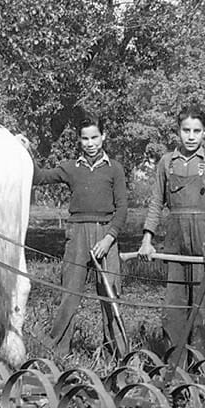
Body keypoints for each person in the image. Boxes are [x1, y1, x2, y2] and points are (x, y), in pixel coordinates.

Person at [31, 109, 128, 355]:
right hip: (77, 235)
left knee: (110, 295)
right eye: (85, 139)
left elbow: (122, 209)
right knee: (70, 294)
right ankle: (58, 353)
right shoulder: (70, 168)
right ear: (79, 140)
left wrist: (109, 238)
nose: (90, 144)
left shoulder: (114, 168)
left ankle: (118, 355)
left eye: (94, 138)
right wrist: (26, 151)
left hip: (106, 234)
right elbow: (38, 177)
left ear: (103, 137)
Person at [138, 104, 205, 356]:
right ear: (178, 131)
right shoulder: (167, 163)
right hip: (175, 240)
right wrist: (147, 240)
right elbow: (156, 202)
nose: (191, 136)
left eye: (196, 131)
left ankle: (200, 368)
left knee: (201, 309)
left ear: (204, 132)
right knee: (173, 308)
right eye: (186, 130)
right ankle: (173, 370)